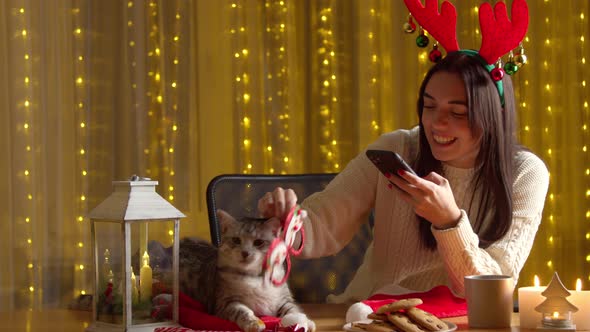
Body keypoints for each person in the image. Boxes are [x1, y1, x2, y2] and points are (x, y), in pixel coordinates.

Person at [257, 51, 550, 304]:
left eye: (457, 112)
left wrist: (449, 223)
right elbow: (324, 222)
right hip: (369, 316)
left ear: (493, 115)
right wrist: (286, 223)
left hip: (457, 323)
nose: (436, 123)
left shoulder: (525, 174)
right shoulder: (397, 147)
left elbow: (492, 291)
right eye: (429, 105)